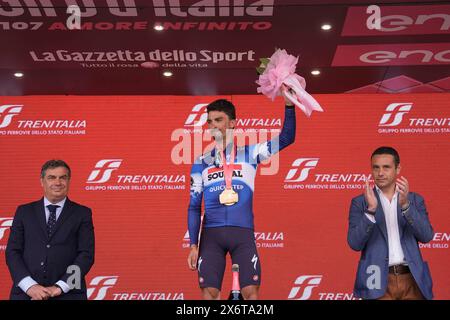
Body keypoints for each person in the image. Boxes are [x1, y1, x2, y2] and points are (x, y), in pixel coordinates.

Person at [187, 90, 295, 300]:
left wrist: (289, 106)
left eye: (219, 120)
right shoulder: (201, 162)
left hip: (242, 234)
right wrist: (193, 245)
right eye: (209, 122)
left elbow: (287, 137)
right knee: (209, 293)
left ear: (233, 123)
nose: (213, 126)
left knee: (250, 293)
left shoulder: (251, 153)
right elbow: (193, 206)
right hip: (211, 236)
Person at [347, 146, 434, 300]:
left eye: (386, 167)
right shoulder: (360, 202)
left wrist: (406, 206)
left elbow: (426, 236)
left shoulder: (414, 200)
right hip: (375, 275)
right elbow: (354, 243)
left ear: (397, 169)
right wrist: (371, 210)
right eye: (376, 168)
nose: (380, 173)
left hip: (412, 277)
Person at [5, 160, 95, 300]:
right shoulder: (24, 212)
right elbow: (12, 251)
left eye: (63, 177)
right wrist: (29, 286)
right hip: (26, 293)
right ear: (42, 181)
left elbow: (86, 255)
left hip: (69, 294)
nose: (57, 182)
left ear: (69, 181)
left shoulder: (82, 213)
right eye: (51, 177)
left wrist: (61, 287)